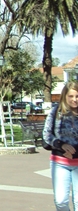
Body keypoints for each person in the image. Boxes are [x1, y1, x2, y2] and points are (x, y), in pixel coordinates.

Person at [43, 81, 78, 211]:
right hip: (60, 163)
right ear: (65, 96)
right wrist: (61, 145)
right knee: (61, 201)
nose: (74, 100)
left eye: (77, 96)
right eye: (71, 96)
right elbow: (47, 135)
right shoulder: (56, 112)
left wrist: (75, 151)